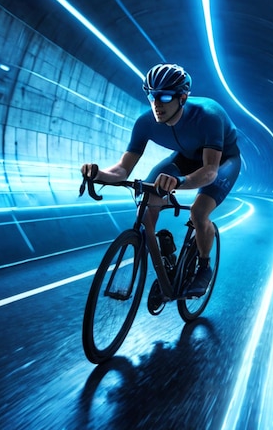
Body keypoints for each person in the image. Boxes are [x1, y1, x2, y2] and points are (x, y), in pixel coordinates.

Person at [81, 63, 241, 296]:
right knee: (146, 205)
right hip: (185, 158)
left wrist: (179, 182)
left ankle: (204, 267)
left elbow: (209, 171)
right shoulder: (145, 123)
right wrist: (97, 174)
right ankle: (166, 264)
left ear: (183, 97)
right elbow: (122, 170)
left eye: (165, 96)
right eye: (151, 96)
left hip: (222, 162)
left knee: (198, 212)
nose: (157, 104)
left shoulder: (209, 116)